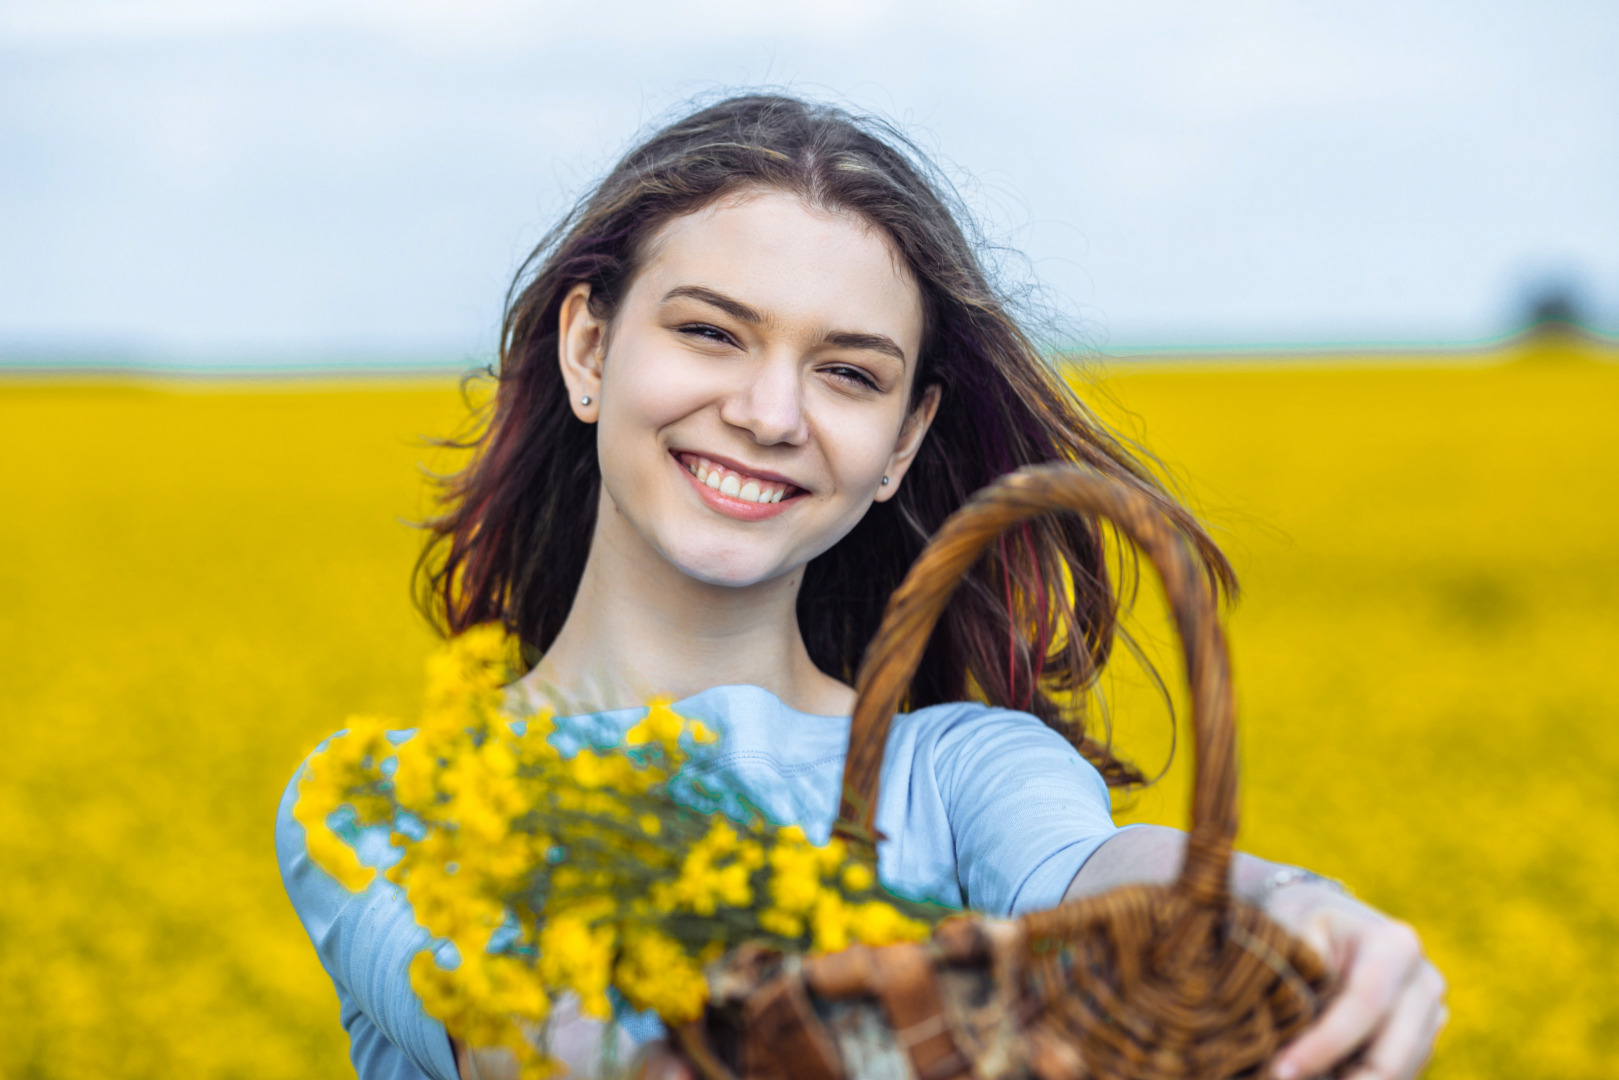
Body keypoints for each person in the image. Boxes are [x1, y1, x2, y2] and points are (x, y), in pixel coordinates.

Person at [275, 94, 1447, 1080]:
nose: (769, 414)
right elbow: (537, 1034)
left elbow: (1100, 874)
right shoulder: (378, 800)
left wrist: (1291, 910)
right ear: (589, 348)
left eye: (845, 372)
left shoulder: (959, 771)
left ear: (900, 439)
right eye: (712, 333)